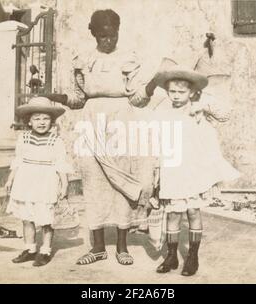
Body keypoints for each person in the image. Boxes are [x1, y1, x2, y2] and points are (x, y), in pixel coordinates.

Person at [64, 9, 155, 266]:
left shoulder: (129, 59)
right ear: (93, 33)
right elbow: (78, 99)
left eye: (112, 35)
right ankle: (98, 247)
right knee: (93, 183)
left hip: (121, 123)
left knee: (121, 183)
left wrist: (153, 84)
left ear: (118, 33)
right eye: (102, 36)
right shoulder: (82, 60)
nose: (108, 40)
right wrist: (60, 98)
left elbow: (137, 98)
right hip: (90, 124)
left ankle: (122, 247)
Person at [150, 57, 240, 276]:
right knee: (172, 213)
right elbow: (158, 142)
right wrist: (157, 170)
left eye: (181, 92)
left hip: (193, 169)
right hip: (172, 169)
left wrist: (204, 104)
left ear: (191, 92)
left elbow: (225, 115)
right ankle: (171, 256)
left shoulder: (198, 111)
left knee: (192, 210)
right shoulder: (163, 114)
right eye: (172, 92)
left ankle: (192, 256)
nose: (176, 96)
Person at [5, 97, 73, 267]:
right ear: (29, 121)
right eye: (37, 119)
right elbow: (18, 159)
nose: (41, 122)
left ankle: (45, 251)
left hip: (46, 182)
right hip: (25, 181)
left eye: (46, 118)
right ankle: (30, 249)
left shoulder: (56, 141)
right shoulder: (24, 138)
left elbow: (60, 165)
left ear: (51, 121)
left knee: (45, 219)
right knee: (27, 218)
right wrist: (10, 179)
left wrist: (64, 184)